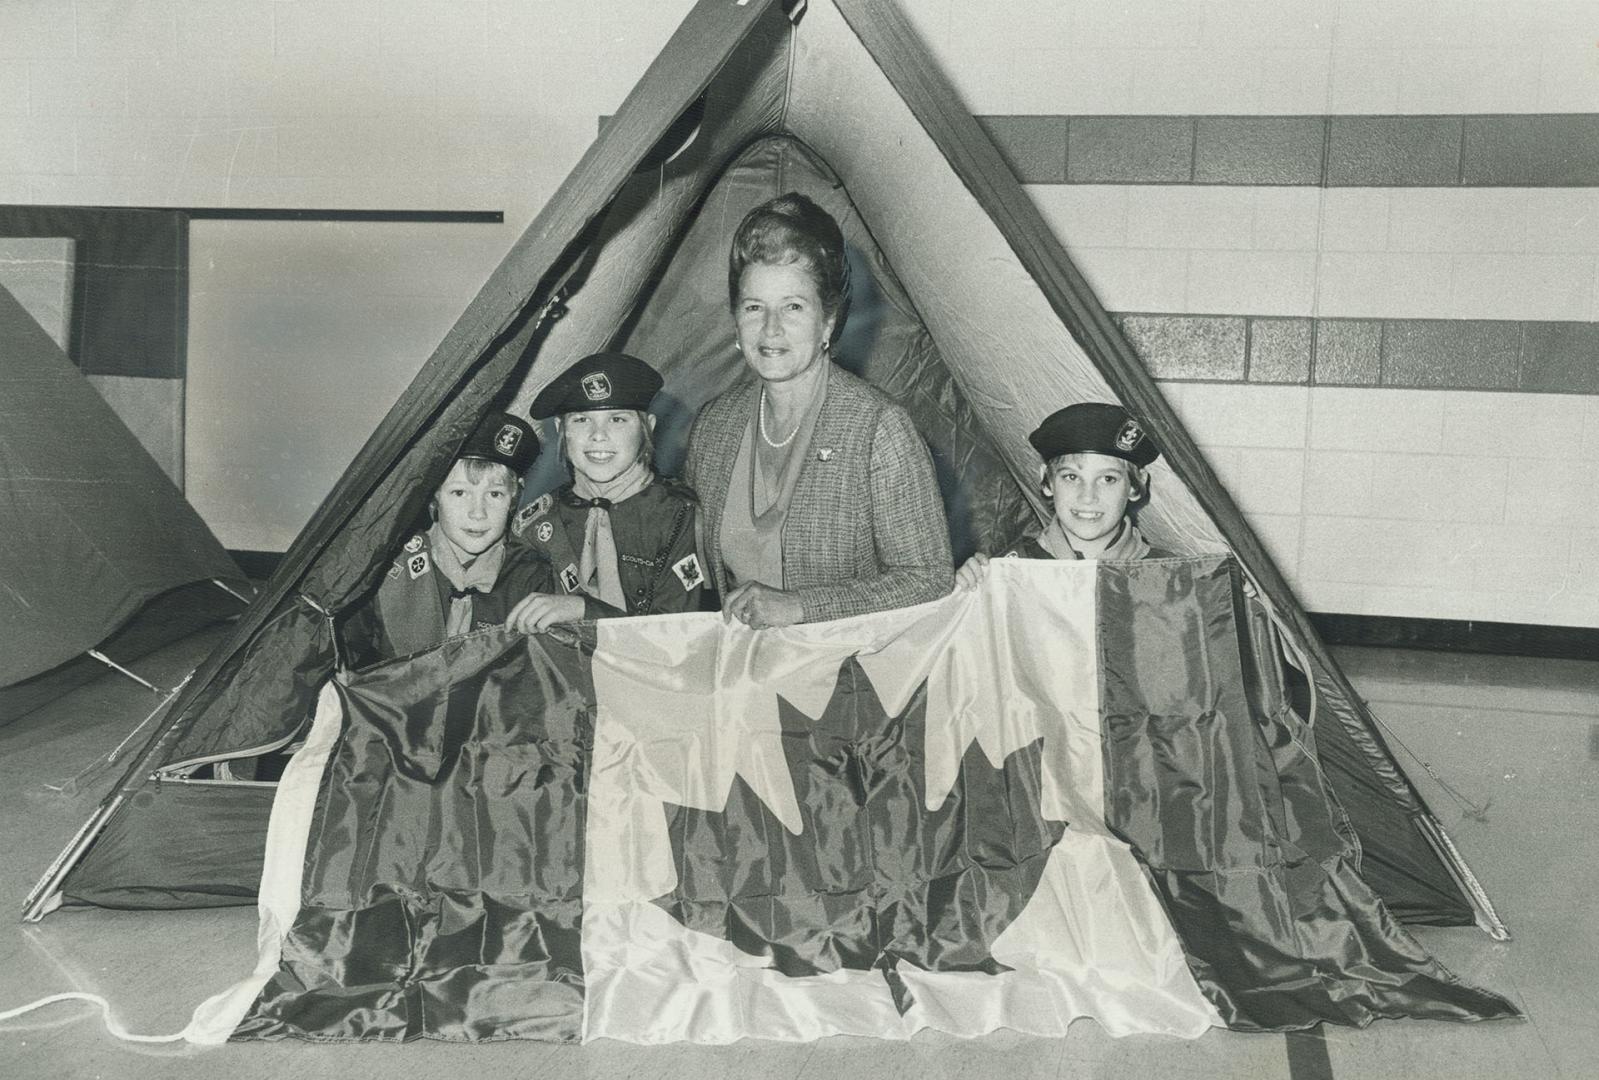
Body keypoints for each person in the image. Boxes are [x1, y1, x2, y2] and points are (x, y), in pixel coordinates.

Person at [685, 192, 952, 628]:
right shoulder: (713, 426)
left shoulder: (878, 428)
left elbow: (929, 579)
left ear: (827, 321)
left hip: (850, 677)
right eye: (754, 308)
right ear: (736, 320)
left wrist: (802, 606)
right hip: (740, 676)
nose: (771, 329)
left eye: (793, 307)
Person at [340, 411, 572, 666]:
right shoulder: (388, 568)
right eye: (460, 492)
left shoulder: (530, 578)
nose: (477, 513)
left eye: (495, 494)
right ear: (435, 495)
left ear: (513, 499)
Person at [506, 351, 704, 628]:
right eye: (581, 420)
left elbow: (680, 636)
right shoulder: (535, 525)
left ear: (647, 427)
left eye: (617, 419)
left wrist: (585, 611)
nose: (598, 435)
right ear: (560, 429)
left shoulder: (681, 516)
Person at [956, 401, 1171, 589]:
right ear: (1047, 480)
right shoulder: (1011, 571)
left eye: (1107, 479)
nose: (1088, 497)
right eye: (1071, 477)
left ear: (1136, 485)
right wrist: (963, 591)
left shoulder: (1171, 577)